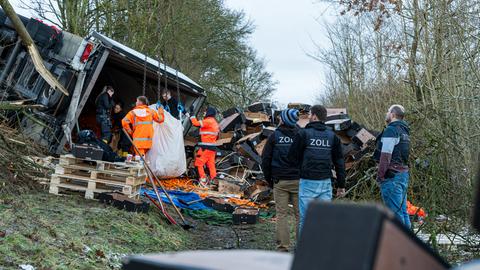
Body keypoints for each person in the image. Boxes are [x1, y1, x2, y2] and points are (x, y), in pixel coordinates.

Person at [287, 105, 346, 232]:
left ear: (314, 116)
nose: (308, 116)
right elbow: (340, 162)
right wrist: (341, 185)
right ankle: (320, 249)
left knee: (306, 219)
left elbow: (291, 158)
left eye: (309, 114)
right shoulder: (332, 136)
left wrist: (300, 170)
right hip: (325, 182)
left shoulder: (303, 134)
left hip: (307, 181)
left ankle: (305, 250)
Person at [262, 109, 301, 252]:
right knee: (300, 215)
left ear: (283, 120)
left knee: (281, 214)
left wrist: (269, 180)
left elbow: (265, 160)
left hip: (280, 181)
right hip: (298, 180)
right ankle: (301, 247)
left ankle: (283, 247)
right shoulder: (301, 136)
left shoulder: (274, 136)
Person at [374, 104, 411, 228]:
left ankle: (400, 245)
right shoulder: (405, 131)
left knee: (395, 215)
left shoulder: (391, 130)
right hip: (403, 174)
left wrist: (380, 176)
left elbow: (386, 156)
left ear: (393, 114)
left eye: (388, 111)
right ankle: (409, 244)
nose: (386, 113)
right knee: (403, 212)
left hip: (392, 176)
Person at [190, 107, 219, 187]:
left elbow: (195, 123)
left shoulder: (208, 121)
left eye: (205, 112)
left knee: (199, 163)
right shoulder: (215, 123)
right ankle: (213, 181)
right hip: (212, 148)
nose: (204, 113)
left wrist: (192, 115)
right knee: (211, 165)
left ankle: (203, 181)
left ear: (209, 112)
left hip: (205, 148)